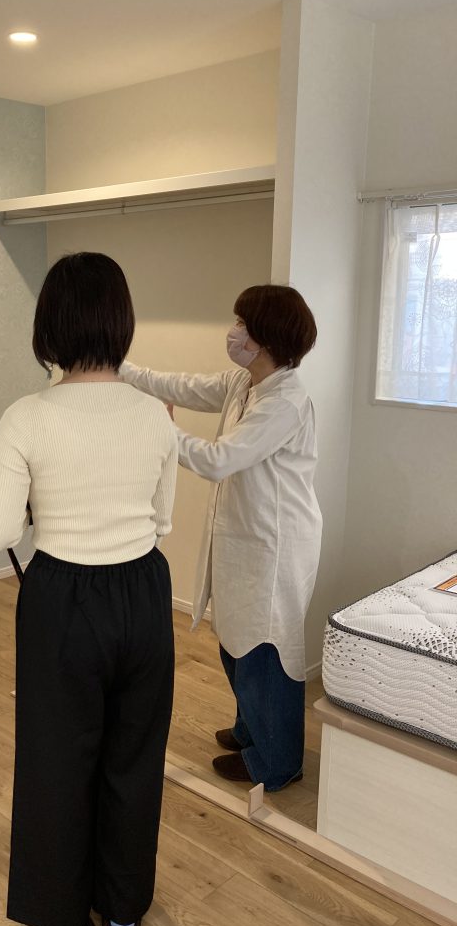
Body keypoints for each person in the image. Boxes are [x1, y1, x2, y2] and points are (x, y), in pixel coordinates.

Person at [0, 252, 178, 926]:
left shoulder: (25, 417)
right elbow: (163, 521)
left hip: (62, 596)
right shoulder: (155, 415)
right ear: (121, 323)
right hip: (144, 592)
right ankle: (123, 908)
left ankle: (66, 914)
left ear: (50, 327)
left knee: (58, 760)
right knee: (134, 754)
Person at [120, 284, 322, 793]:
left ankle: (277, 763)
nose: (232, 332)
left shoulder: (285, 402)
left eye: (241, 324)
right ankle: (251, 731)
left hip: (276, 546)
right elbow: (185, 386)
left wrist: (160, 429)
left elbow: (218, 460)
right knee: (236, 643)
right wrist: (122, 369)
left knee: (263, 651)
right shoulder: (246, 383)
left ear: (266, 338)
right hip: (248, 538)